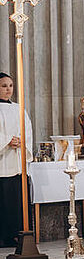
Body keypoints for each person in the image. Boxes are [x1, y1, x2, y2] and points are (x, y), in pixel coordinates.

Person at [0, 72, 32, 247]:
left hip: (16, 162)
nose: (8, 90)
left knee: (16, 202)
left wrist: (22, 140)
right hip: (2, 162)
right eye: (4, 86)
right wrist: (6, 141)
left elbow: (27, 129)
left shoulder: (18, 108)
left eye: (11, 86)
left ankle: (16, 234)